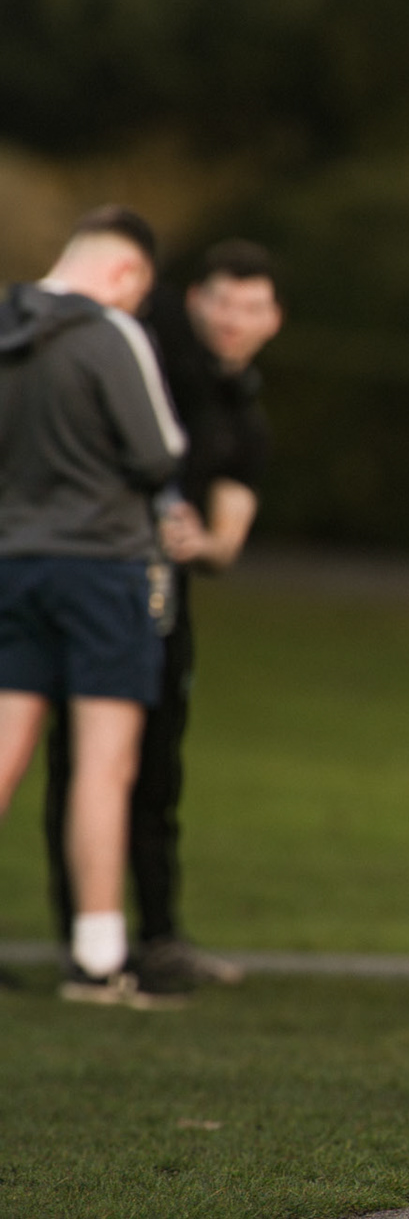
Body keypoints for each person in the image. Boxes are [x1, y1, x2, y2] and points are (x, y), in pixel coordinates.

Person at [41, 239, 278, 1001]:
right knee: (82, 762)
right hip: (96, 577)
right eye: (220, 301)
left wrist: (202, 540)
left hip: (159, 595)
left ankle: (154, 936)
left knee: (154, 767)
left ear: (274, 318)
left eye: (251, 306)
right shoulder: (151, 356)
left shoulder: (244, 406)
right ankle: (88, 931)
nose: (232, 319)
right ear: (190, 302)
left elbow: (227, 531)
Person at [0, 206, 187, 1006]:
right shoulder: (113, 331)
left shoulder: (7, 320)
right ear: (127, 273)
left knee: (4, 753)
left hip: (12, 559)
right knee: (103, 767)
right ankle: (98, 954)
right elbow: (158, 452)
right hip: (103, 567)